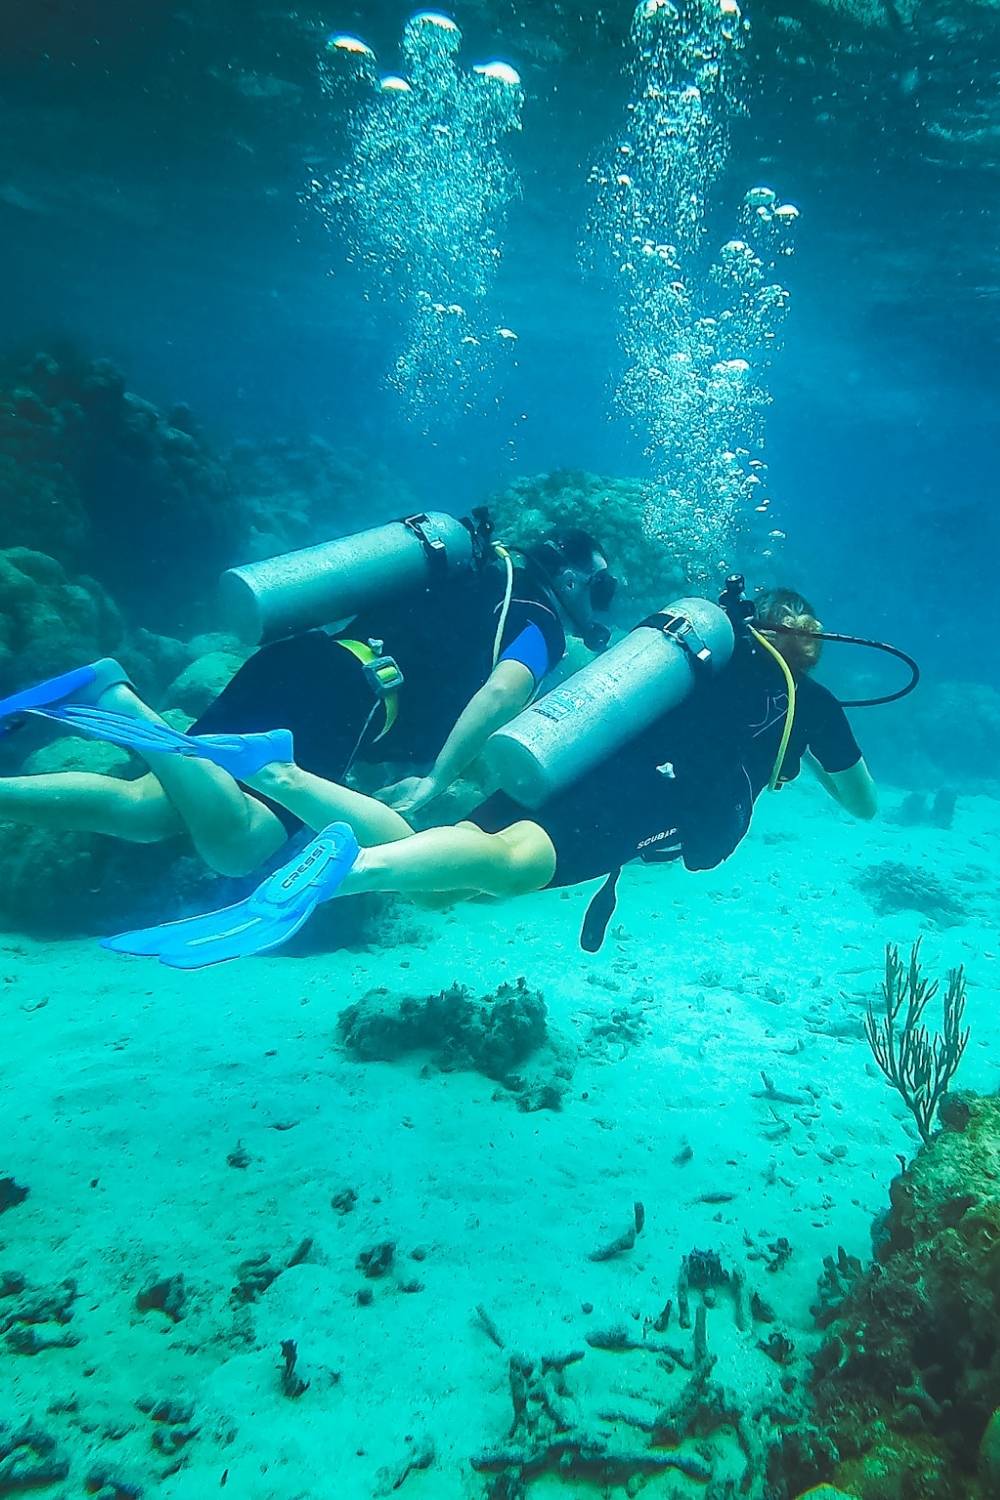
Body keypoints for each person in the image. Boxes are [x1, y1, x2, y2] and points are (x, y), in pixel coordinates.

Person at [102, 585, 879, 968]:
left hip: (570, 750)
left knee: (445, 877)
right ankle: (339, 871)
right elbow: (864, 804)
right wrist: (815, 738)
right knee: (505, 867)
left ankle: (284, 775)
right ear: (808, 642)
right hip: (654, 789)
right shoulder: (808, 701)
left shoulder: (695, 665)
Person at [0, 522, 616, 878]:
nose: (604, 601)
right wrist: (436, 780)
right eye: (603, 587)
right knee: (238, 846)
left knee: (145, 810)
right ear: (568, 579)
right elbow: (504, 691)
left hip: (299, 660)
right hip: (350, 695)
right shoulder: (541, 620)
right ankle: (115, 696)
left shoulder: (466, 566)